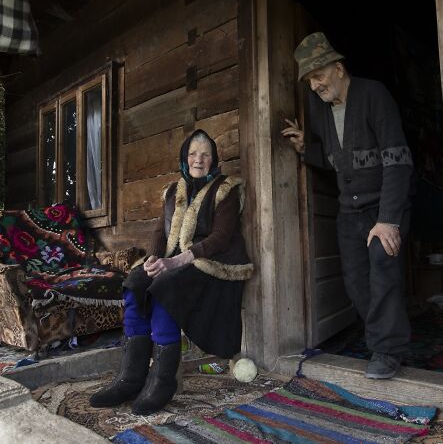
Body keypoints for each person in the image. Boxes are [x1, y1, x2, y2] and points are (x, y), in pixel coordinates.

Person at [89, 129, 253, 415]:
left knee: (164, 287)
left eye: (205, 154)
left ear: (214, 159)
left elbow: (222, 238)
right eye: (192, 154)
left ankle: (162, 383)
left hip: (212, 264)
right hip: (173, 264)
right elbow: (158, 233)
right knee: (135, 282)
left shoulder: (225, 188)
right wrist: (152, 259)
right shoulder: (172, 191)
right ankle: (130, 377)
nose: (198, 160)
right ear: (184, 157)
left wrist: (179, 261)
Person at [282, 32, 413, 379]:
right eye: (310, 79)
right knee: (356, 284)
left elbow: (397, 159)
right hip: (349, 211)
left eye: (319, 75)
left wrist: (388, 220)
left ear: (338, 68)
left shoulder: (373, 95)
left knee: (383, 274)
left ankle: (387, 350)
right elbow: (336, 159)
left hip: (381, 209)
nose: (315, 85)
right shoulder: (324, 112)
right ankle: (385, 340)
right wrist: (304, 150)